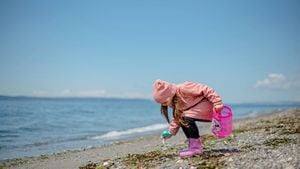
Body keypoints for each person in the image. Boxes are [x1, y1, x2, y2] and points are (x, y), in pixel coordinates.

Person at [153, 79, 223, 158]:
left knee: (185, 117)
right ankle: (194, 146)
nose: (164, 104)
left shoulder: (184, 88)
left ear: (169, 94)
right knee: (182, 118)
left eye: (164, 101)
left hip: (207, 106)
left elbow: (206, 89)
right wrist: (171, 132)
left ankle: (196, 148)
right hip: (196, 110)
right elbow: (177, 117)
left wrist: (217, 102)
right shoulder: (174, 101)